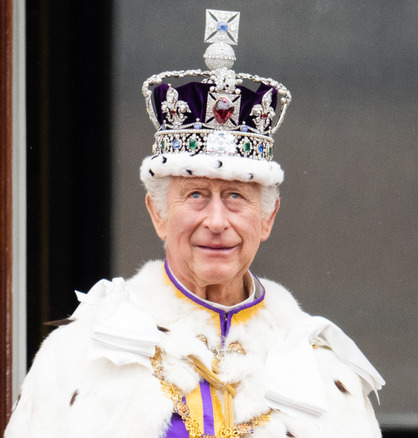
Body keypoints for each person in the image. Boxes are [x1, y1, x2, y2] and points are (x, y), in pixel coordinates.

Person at [5, 9, 383, 438]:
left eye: (236, 196)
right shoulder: (79, 356)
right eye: (196, 195)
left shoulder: (324, 367)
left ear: (267, 218)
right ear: (158, 213)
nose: (216, 221)